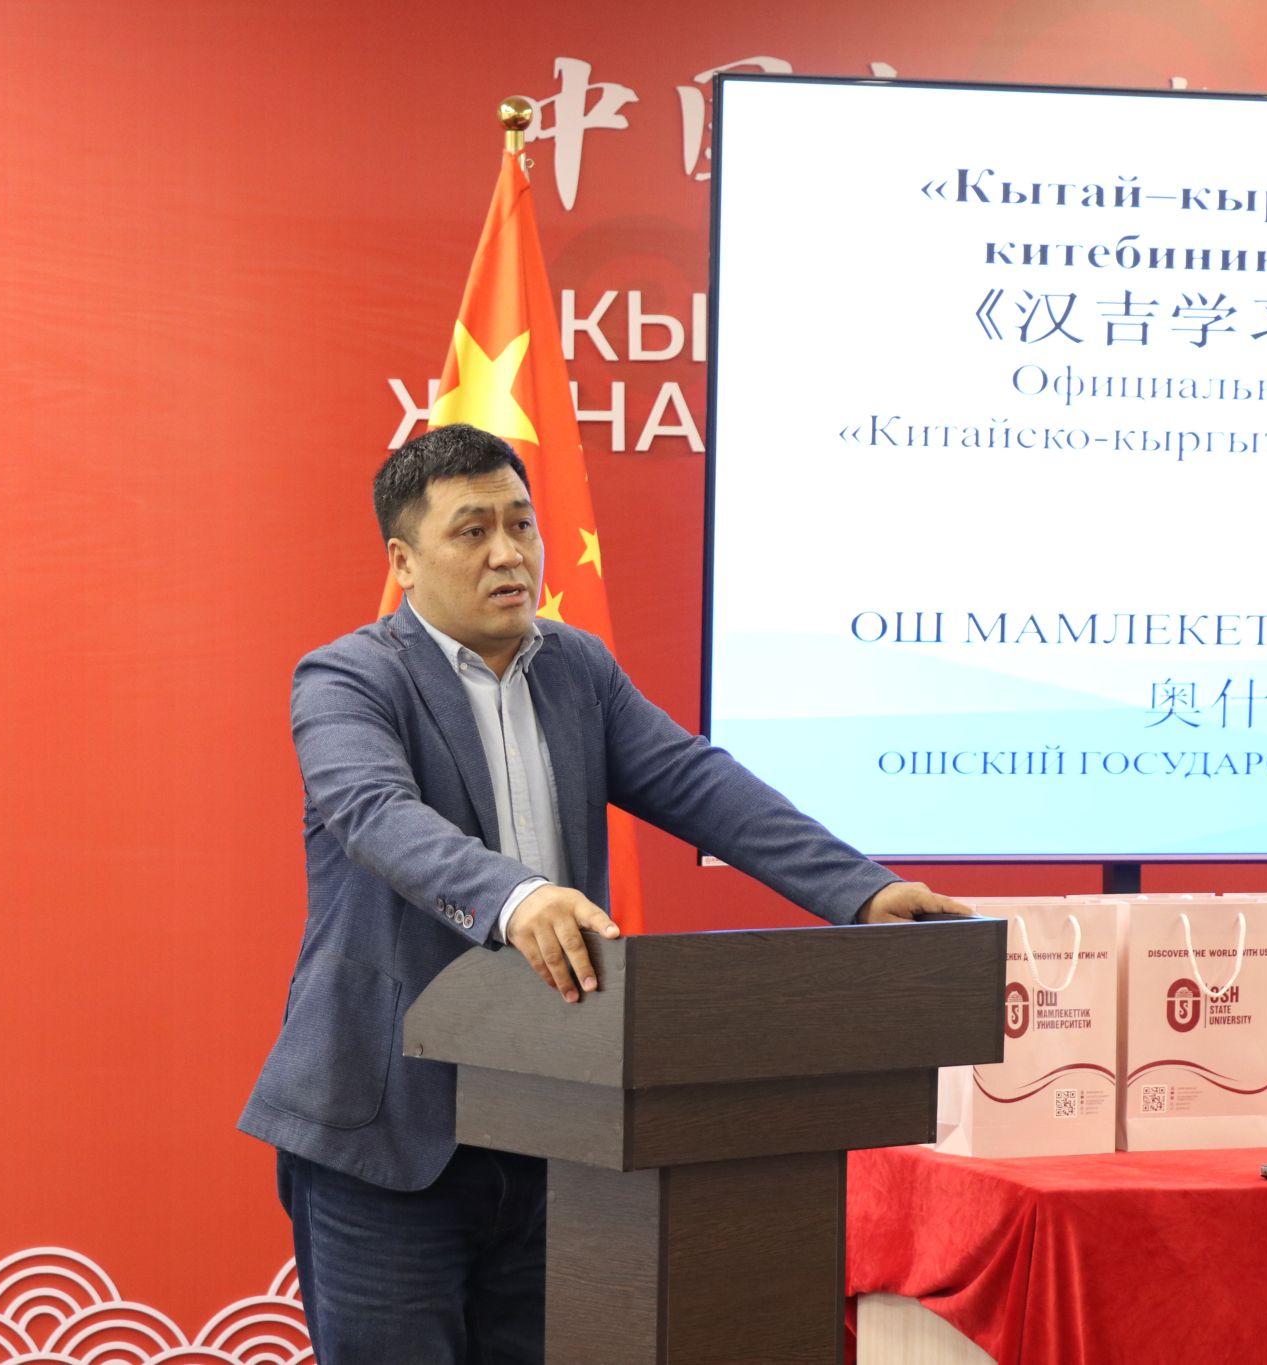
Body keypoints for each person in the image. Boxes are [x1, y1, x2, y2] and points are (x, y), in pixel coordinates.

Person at [238, 423, 969, 1364]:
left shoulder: (577, 668)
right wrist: (517, 898)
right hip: (387, 1135)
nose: (509, 553)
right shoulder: (348, 676)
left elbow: (700, 783)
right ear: (404, 561)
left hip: (554, 1125)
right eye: (472, 531)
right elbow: (377, 813)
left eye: (521, 523)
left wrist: (861, 891)